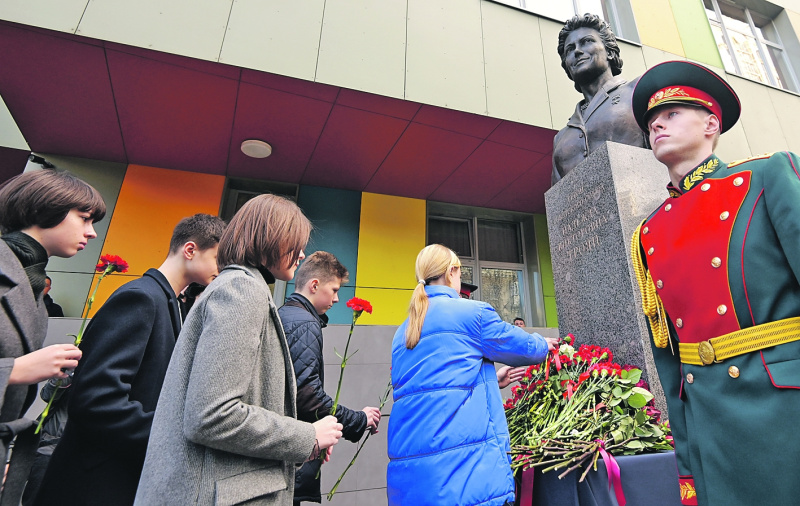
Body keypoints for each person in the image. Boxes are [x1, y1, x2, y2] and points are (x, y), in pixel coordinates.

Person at [630, 60, 800, 506]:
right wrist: (686, 456)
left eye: (671, 114)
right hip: (710, 423)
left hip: (784, 409)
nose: (656, 125)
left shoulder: (765, 176)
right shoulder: (649, 231)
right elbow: (669, 360)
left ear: (711, 124)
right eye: (652, 120)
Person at [135, 194, 343, 506]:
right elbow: (212, 415)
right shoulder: (241, 290)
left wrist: (303, 444)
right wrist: (307, 436)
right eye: (295, 243)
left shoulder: (239, 287)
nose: (301, 254)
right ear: (271, 238)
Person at [34, 213, 225, 506]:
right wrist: (176, 437)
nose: (222, 269)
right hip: (94, 484)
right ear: (190, 250)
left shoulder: (170, 303)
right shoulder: (141, 297)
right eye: (218, 258)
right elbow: (96, 400)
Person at [387, 244, 558, 505]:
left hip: (410, 483)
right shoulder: (472, 313)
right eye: (459, 271)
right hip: (463, 477)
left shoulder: (403, 331)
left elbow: (436, 385)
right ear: (451, 272)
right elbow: (522, 347)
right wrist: (544, 344)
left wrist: (491, 380)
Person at [0, 169, 105, 505]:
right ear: (44, 208)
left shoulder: (32, 286)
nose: (91, 232)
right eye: (84, 218)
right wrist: (15, 370)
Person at [279, 251, 380, 505]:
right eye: (334, 290)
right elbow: (307, 396)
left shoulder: (285, 314)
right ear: (314, 285)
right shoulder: (305, 324)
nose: (336, 299)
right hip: (290, 460)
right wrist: (357, 420)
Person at [551, 13, 646, 185]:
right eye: (570, 49)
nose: (577, 51)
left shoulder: (638, 90)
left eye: (587, 41)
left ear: (609, 51)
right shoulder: (561, 138)